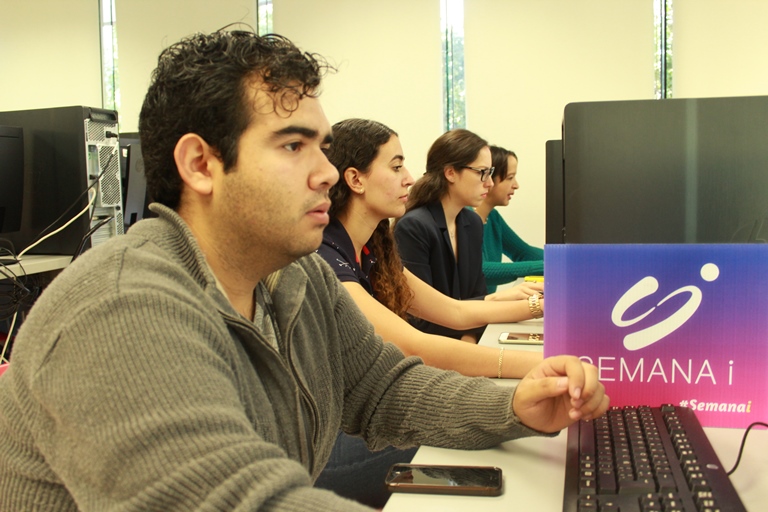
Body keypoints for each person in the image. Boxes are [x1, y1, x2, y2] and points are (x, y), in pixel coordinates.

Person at [0, 30, 608, 512]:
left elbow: (385, 388)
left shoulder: (295, 278)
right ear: (201, 164)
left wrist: (513, 408)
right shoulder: (121, 306)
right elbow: (236, 503)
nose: (324, 172)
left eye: (321, 146)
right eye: (294, 146)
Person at [314, 119, 544, 505]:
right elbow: (413, 344)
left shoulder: (373, 247)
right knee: (481, 440)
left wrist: (537, 306)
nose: (409, 179)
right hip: (329, 448)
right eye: (397, 165)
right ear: (355, 179)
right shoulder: (326, 256)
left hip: (363, 420)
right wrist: (536, 364)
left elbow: (454, 312)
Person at [394, 129, 543, 342]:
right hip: (430, 350)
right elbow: (420, 318)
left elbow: (475, 297)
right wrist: (496, 304)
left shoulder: (471, 223)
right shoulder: (414, 227)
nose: (489, 183)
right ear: (450, 172)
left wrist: (471, 339)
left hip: (464, 342)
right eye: (482, 172)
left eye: (490, 173)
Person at [474, 146, 544, 293]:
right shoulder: (464, 218)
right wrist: (550, 266)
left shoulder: (492, 217)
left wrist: (564, 259)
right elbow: (480, 270)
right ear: (489, 179)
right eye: (510, 178)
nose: (516, 185)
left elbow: (523, 253)